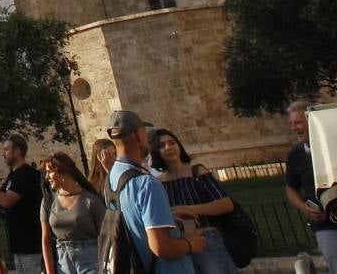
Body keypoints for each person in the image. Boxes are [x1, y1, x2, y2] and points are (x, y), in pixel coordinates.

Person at [106, 110, 204, 274]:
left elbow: (131, 218)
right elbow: (161, 246)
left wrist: (167, 215)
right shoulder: (147, 183)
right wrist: (191, 243)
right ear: (138, 135)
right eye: (145, 133)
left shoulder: (111, 178)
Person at [284, 101, 337, 274]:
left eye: (298, 123)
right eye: (292, 124)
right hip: (327, 227)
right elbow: (290, 187)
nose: (294, 128)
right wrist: (303, 207)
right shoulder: (296, 156)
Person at [151, 128, 238, 274]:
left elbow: (226, 204)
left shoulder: (198, 172)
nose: (168, 148)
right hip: (181, 243)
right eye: (162, 145)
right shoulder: (158, 183)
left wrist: (190, 209)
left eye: (172, 143)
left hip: (206, 240)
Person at [0, 135, 42, 274]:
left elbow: (6, 201)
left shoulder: (26, 174)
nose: (3, 154)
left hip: (30, 243)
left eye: (6, 150)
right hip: (17, 244)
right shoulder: (13, 175)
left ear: (18, 151)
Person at [37, 153, 104, 274]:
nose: (47, 177)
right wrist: (50, 271)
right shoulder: (48, 201)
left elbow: (105, 237)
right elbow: (45, 240)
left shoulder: (91, 200)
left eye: (49, 172)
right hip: (62, 263)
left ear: (62, 172)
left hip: (92, 260)